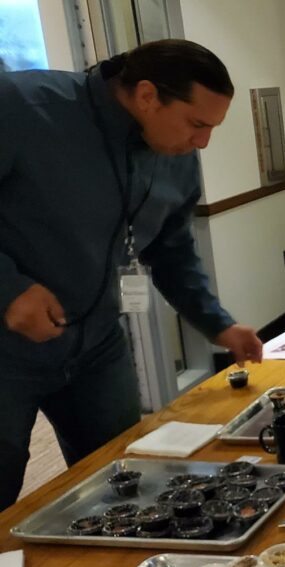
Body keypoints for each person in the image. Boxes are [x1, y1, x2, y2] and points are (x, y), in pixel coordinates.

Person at [0, 39, 262, 509]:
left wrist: (217, 323)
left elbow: (171, 248)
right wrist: (9, 290)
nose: (202, 142)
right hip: (6, 351)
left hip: (96, 343)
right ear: (147, 96)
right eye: (197, 124)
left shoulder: (174, 152)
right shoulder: (23, 106)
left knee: (122, 477)